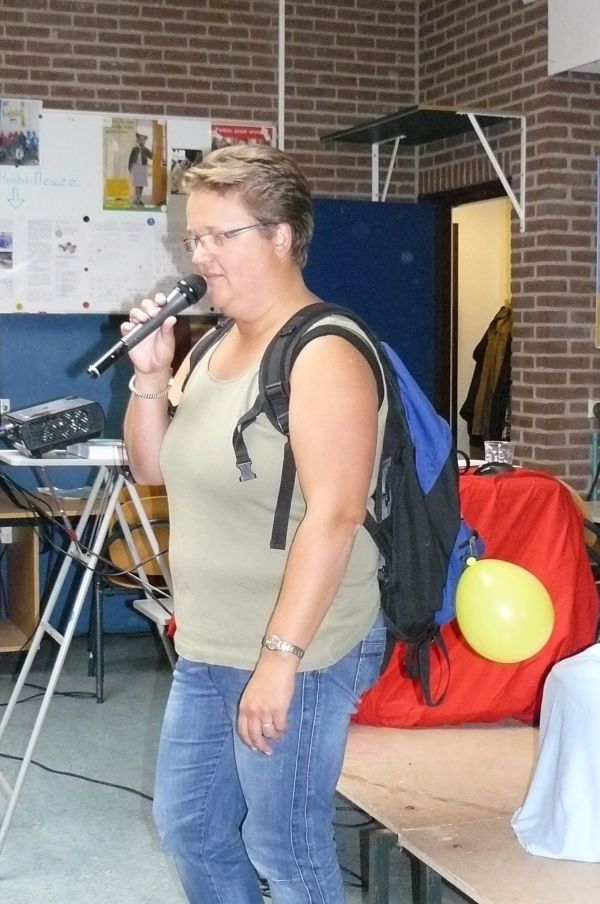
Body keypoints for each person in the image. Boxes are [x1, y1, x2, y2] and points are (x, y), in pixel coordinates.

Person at [122, 144, 387, 904]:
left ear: (280, 236)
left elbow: (336, 515)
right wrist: (149, 378)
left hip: (299, 645)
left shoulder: (324, 350)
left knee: (285, 847)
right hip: (210, 639)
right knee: (191, 829)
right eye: (194, 237)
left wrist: (280, 660)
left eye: (220, 236)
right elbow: (153, 466)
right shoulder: (212, 345)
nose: (200, 255)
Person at [128, 132, 152, 206]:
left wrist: (153, 148)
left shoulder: (145, 149)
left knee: (142, 185)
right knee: (137, 184)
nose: (142, 141)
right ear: (138, 141)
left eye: (143, 140)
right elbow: (131, 159)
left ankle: (139, 199)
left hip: (143, 167)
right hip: (136, 167)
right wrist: (129, 167)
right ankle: (137, 199)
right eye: (141, 140)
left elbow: (151, 156)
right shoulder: (135, 149)